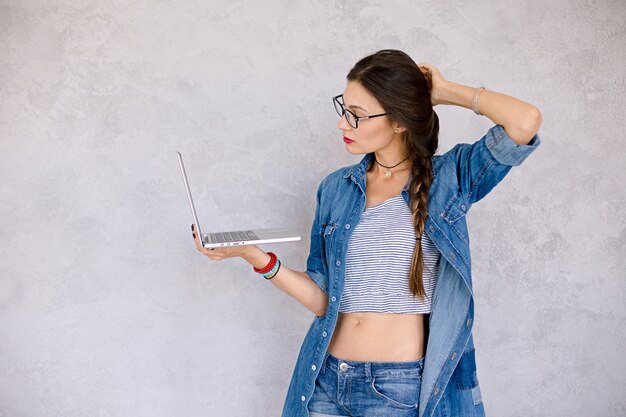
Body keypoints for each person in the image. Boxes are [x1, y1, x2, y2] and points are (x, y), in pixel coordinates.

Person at [191, 49, 542, 417]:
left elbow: (524, 122)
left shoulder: (450, 179)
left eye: (356, 116)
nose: (343, 125)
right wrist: (254, 256)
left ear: (399, 121)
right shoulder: (335, 189)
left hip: (397, 387)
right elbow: (325, 300)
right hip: (323, 378)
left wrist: (444, 91)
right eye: (344, 109)